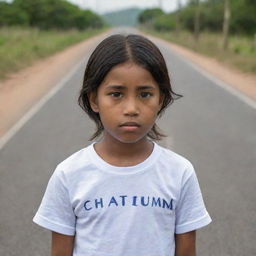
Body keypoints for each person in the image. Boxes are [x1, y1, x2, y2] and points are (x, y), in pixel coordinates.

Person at [33, 34, 212, 256]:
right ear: (94, 100)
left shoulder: (179, 172)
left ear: (161, 100)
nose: (131, 108)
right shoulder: (69, 175)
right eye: (116, 94)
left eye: (145, 94)